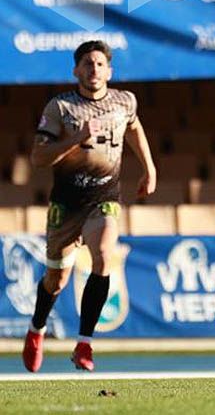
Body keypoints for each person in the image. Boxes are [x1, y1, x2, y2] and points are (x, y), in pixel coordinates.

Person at [22, 40, 157, 372]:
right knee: (57, 279)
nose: (93, 69)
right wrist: (74, 139)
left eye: (99, 64)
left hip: (104, 198)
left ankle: (84, 343)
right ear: (75, 70)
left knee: (103, 257)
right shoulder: (61, 108)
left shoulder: (124, 101)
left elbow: (134, 128)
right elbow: (38, 158)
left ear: (109, 70)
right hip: (66, 204)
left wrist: (149, 168)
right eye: (87, 63)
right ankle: (36, 329)